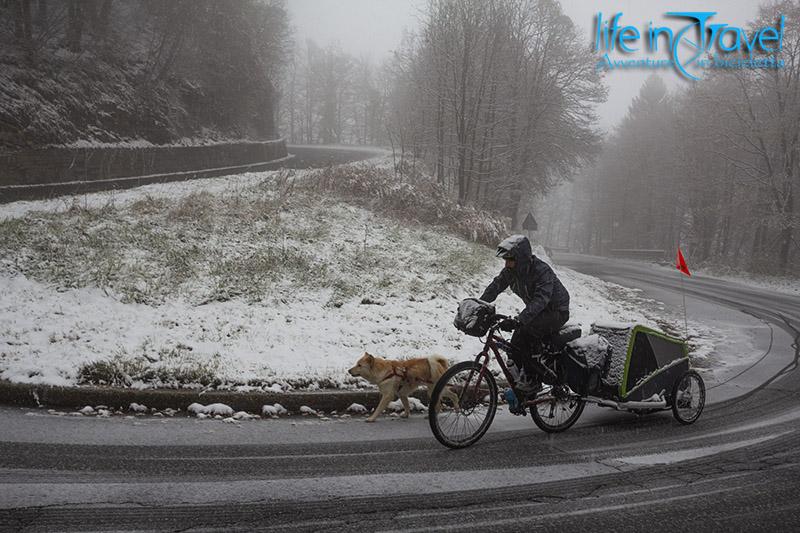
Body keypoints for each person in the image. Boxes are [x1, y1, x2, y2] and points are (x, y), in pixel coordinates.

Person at [479, 235, 570, 395]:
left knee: (527, 332)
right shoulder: (511, 271)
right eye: (505, 260)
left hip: (556, 311)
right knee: (514, 346)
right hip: (537, 311)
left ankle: (533, 381)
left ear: (521, 259)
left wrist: (520, 320)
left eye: (510, 259)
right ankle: (522, 385)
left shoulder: (541, 271)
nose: (507, 263)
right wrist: (480, 305)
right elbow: (496, 286)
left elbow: (541, 300)